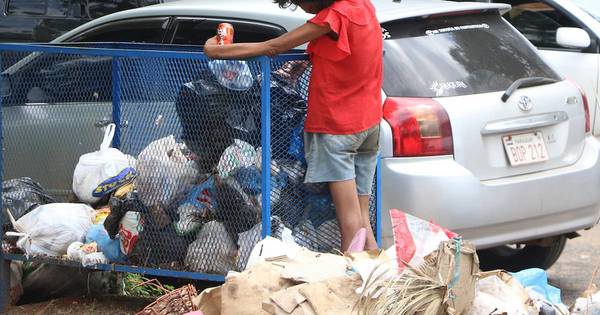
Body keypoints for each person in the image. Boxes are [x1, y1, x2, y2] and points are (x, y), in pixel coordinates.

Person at [204, 0, 383, 251]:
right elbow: (347, 54)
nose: (299, 7)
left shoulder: (333, 17)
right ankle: (377, 283)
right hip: (369, 124)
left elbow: (273, 46)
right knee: (363, 217)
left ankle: (354, 282)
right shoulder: (362, 6)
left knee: (349, 220)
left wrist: (214, 50)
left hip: (338, 129)